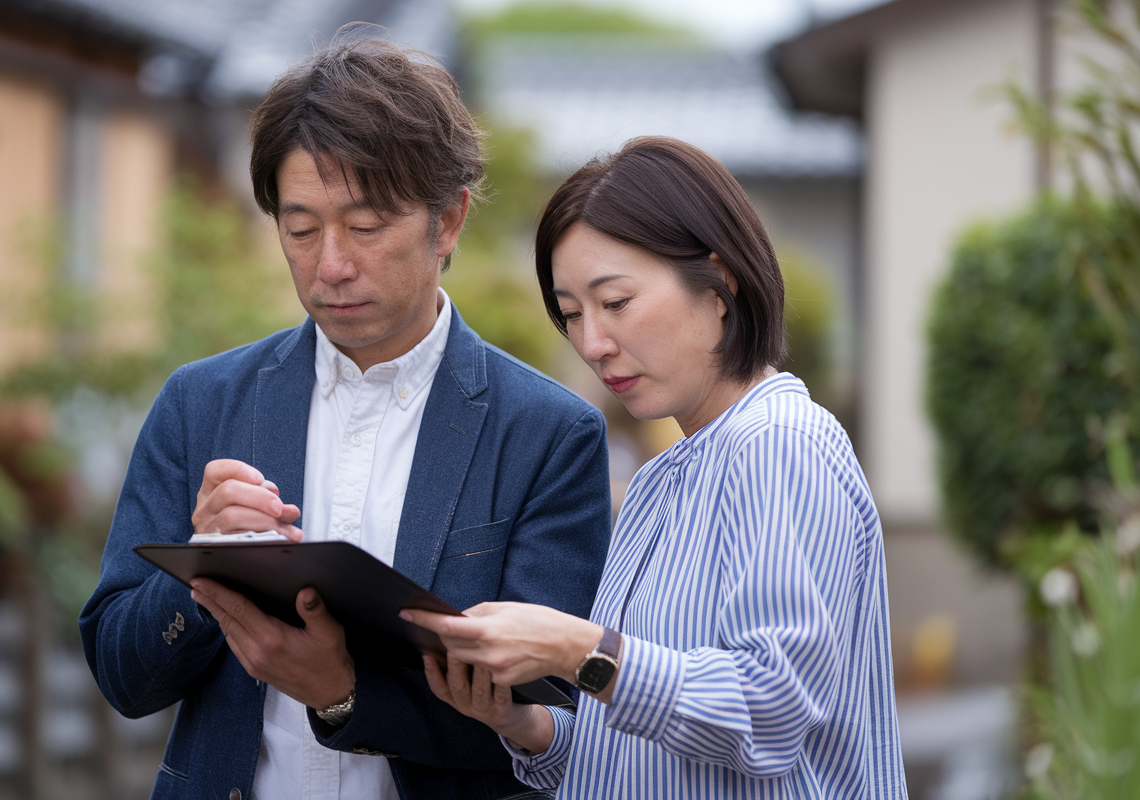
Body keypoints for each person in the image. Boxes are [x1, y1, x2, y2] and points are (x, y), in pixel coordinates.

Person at [79, 36, 613, 800]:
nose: (330, 264)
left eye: (365, 226)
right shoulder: (202, 403)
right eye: (300, 229)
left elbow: (553, 715)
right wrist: (201, 573)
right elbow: (121, 675)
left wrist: (344, 693)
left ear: (448, 221)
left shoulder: (546, 433)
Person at [403, 136, 908, 798]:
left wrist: (576, 649)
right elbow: (638, 754)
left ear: (720, 284)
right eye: (571, 314)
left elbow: (767, 714)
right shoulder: (660, 480)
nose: (592, 343)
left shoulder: (778, 443)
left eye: (615, 302)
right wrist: (524, 723)